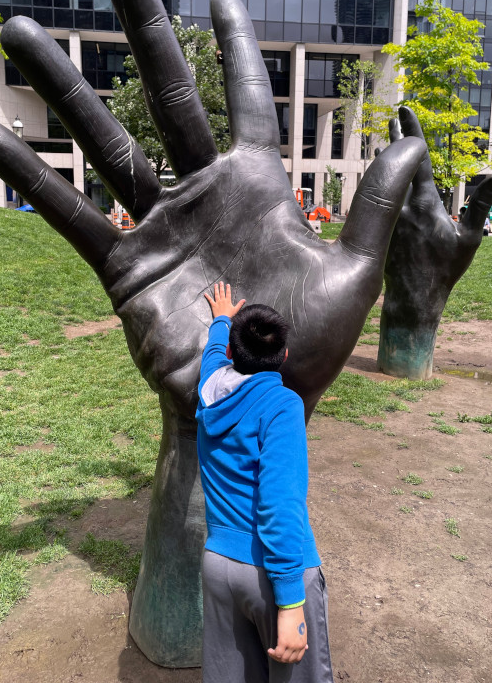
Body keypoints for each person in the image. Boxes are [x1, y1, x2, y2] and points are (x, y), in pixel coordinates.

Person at [196, 282, 333, 683]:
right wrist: (290, 601)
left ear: (228, 355)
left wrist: (221, 319)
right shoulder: (283, 405)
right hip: (270, 577)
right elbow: (279, 503)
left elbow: (211, 357)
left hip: (219, 567)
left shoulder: (209, 392)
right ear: (284, 356)